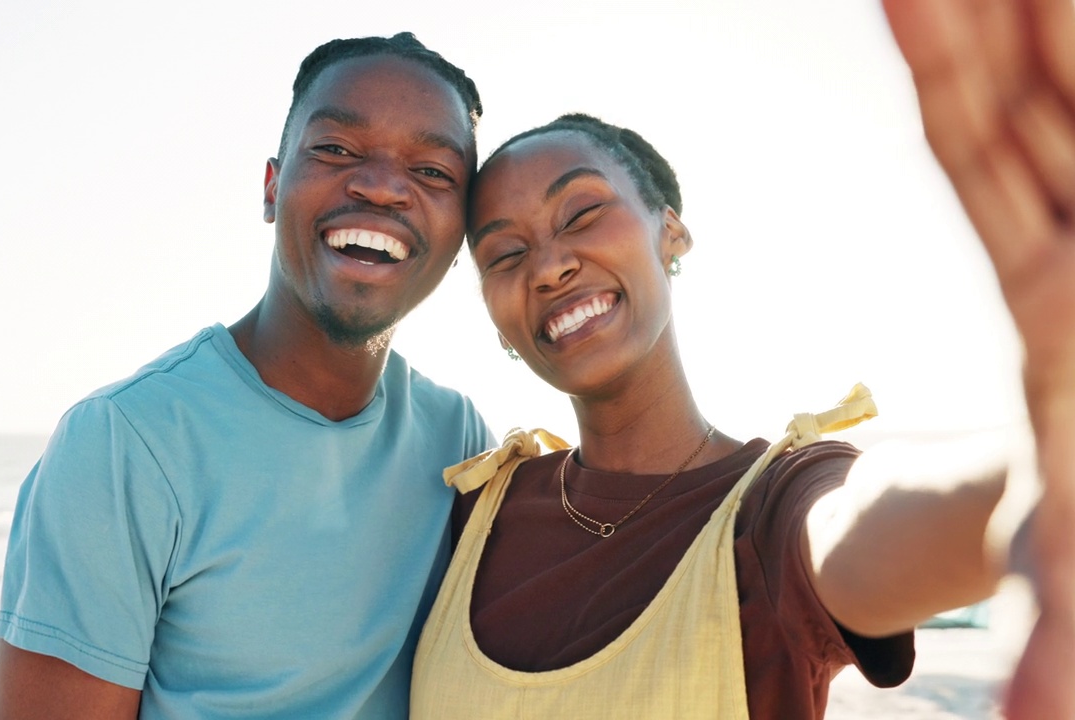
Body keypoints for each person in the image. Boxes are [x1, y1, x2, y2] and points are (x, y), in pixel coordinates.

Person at [410, 1, 1075, 717]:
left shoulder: (774, 507)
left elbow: (857, 525)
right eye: (505, 254)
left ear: (672, 234)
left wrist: (1038, 473)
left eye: (580, 214)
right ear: (497, 323)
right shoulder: (467, 515)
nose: (548, 267)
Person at [0, 33, 494, 719]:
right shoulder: (123, 443)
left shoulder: (457, 442)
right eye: (336, 150)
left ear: (462, 232)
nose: (380, 185)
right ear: (270, 187)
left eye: (433, 171)